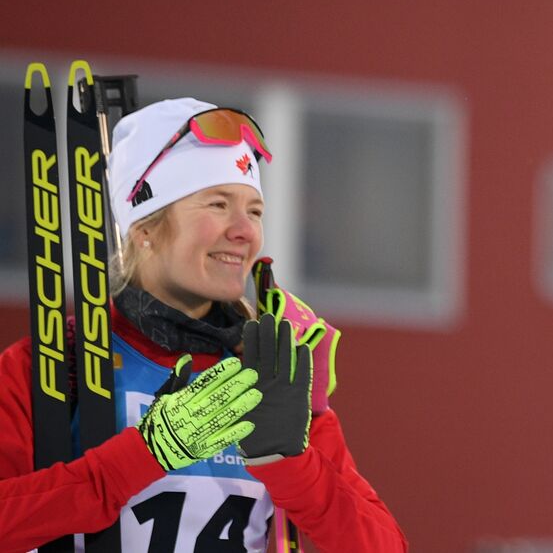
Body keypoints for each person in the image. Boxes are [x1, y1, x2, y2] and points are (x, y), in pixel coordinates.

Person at [0, 98, 408, 551]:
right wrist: (143, 456)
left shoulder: (271, 371)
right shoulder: (57, 364)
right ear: (145, 227)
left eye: (254, 211)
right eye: (217, 204)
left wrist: (291, 463)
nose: (244, 231)